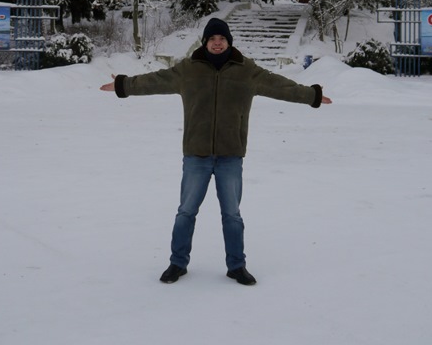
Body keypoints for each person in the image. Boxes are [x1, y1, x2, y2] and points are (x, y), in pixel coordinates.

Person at [100, 17, 332, 286]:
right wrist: (124, 85)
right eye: (213, 39)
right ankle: (177, 263)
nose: (218, 43)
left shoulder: (247, 71)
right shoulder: (188, 70)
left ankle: (236, 266)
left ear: (228, 42)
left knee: (232, 214)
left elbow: (280, 85)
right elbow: (155, 81)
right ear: (206, 42)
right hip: (196, 155)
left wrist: (311, 95)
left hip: (230, 155)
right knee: (186, 211)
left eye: (222, 39)